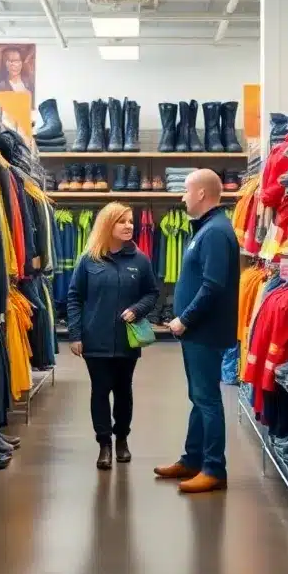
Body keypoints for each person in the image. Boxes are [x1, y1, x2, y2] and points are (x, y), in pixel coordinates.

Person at [155, 169, 240, 493]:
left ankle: (214, 469)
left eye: (187, 191)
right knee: (199, 397)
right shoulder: (208, 229)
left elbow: (213, 285)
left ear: (202, 194)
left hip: (204, 330)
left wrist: (185, 318)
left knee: (207, 399)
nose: (182, 196)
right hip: (199, 332)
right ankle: (192, 459)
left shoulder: (215, 232)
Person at [67, 203, 159, 470]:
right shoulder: (89, 259)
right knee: (100, 391)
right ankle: (104, 444)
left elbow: (152, 294)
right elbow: (74, 297)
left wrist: (137, 309)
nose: (129, 226)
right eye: (122, 221)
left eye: (131, 221)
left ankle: (122, 440)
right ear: (108, 225)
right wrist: (75, 334)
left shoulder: (140, 260)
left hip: (127, 340)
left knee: (123, 391)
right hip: (94, 340)